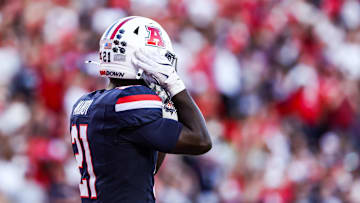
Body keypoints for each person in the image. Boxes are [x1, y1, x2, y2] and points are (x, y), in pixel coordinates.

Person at [70, 16, 212, 203]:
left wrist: (166, 111)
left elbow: (148, 168)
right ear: (142, 59)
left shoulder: (86, 103)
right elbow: (201, 141)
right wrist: (175, 85)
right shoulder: (130, 101)